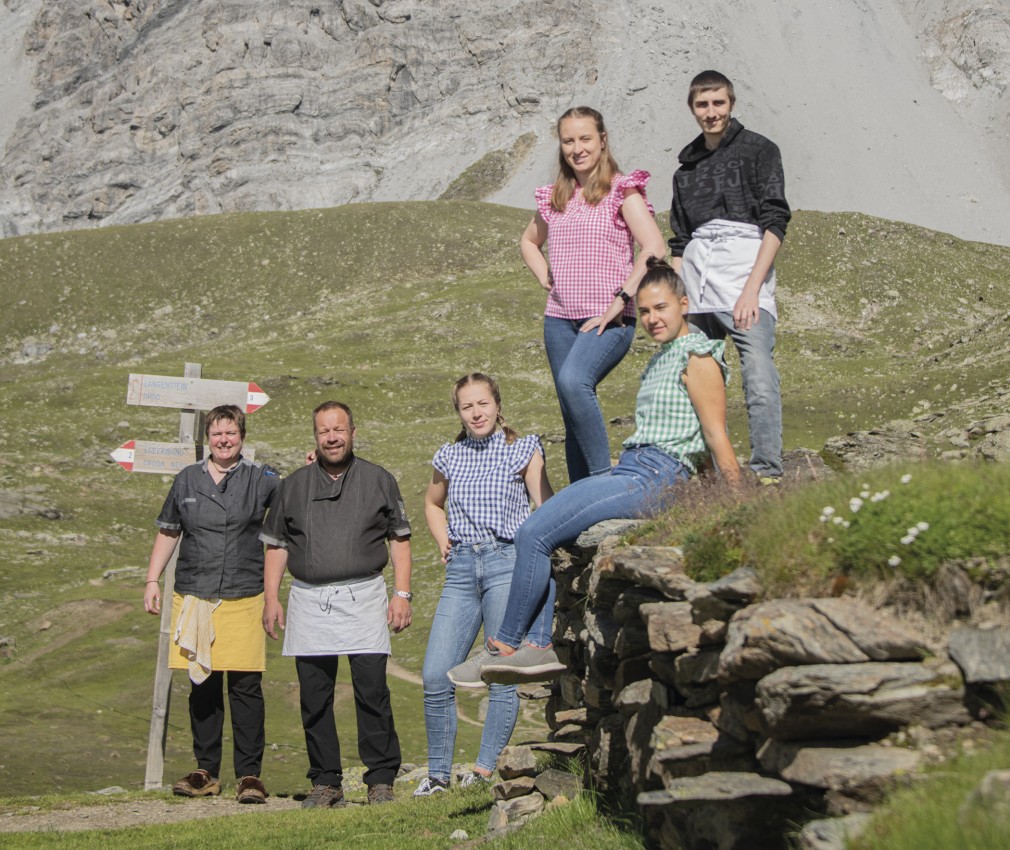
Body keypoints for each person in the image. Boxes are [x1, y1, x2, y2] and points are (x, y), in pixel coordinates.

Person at [447, 260, 741, 685]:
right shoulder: (665, 356)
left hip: (657, 478)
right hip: (637, 469)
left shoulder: (699, 358)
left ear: (684, 303)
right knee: (541, 527)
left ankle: (506, 647)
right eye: (643, 312)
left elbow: (715, 437)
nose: (652, 319)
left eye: (660, 308)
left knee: (534, 532)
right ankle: (533, 646)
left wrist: (733, 507)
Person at [260, 401, 412, 808]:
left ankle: (381, 779)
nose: (332, 437)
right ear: (315, 436)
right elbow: (276, 545)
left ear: (352, 432)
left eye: (339, 429)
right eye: (324, 431)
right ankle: (326, 782)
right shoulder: (292, 485)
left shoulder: (380, 480)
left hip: (365, 597)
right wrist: (271, 598)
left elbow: (399, 539)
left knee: (372, 690)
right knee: (314, 694)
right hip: (309, 600)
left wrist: (402, 593)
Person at [414, 373, 556, 797]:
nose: (476, 412)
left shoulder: (523, 448)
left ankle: (483, 770)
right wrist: (443, 540)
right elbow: (431, 503)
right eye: (466, 406)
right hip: (460, 569)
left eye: (483, 403)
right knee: (435, 673)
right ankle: (437, 775)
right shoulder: (449, 455)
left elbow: (544, 508)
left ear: (497, 404)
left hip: (506, 563)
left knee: (500, 670)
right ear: (458, 411)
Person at [520, 106, 667, 484]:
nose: (577, 148)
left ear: (602, 140)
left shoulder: (622, 189)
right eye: (568, 140)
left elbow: (654, 246)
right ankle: (582, 496)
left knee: (573, 383)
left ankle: (604, 482)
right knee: (571, 411)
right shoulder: (556, 196)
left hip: (609, 318)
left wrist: (622, 298)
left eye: (585, 138)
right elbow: (529, 242)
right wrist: (545, 277)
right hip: (559, 320)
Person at [143, 404, 280, 805]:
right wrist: (153, 579)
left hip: (244, 593)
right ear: (208, 437)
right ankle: (206, 770)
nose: (224, 440)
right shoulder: (187, 479)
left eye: (231, 433)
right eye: (217, 433)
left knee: (246, 686)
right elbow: (169, 531)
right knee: (201, 683)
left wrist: (309, 467)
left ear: (242, 437)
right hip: (195, 594)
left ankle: (250, 775)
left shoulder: (262, 480)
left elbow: (294, 500)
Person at [667, 70, 791, 484]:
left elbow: (775, 221)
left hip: (745, 276)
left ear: (731, 103)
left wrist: (752, 290)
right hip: (698, 284)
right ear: (692, 108)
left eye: (718, 103)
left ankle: (766, 470)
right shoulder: (685, 170)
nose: (711, 112)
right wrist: (678, 299)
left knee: (757, 369)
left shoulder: (760, 150)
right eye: (702, 105)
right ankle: (699, 470)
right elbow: (680, 242)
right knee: (690, 376)